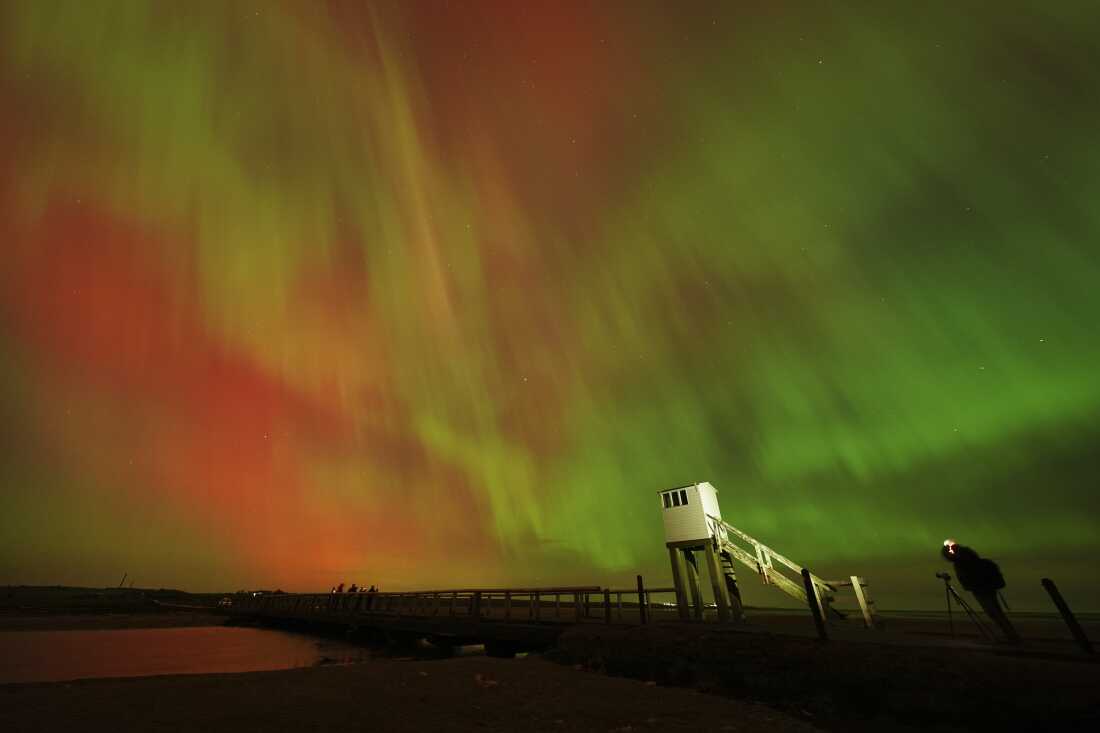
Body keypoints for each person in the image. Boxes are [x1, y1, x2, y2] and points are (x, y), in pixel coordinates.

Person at [942, 539, 1021, 644]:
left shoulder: (963, 560)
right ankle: (1011, 635)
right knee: (995, 613)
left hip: (981, 589)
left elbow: (966, 573)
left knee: (995, 613)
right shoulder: (968, 556)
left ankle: (1012, 637)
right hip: (984, 588)